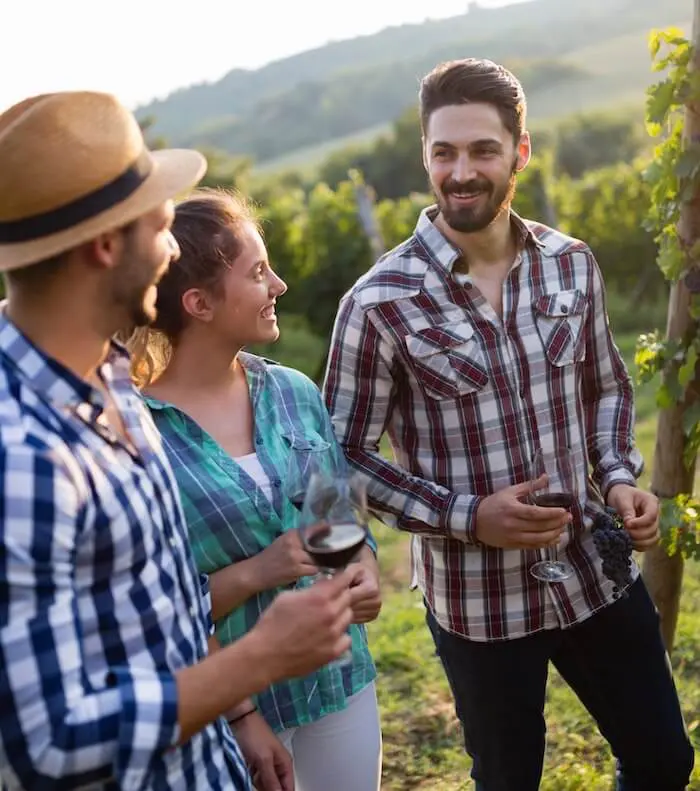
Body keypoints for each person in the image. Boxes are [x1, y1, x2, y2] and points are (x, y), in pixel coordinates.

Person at [323, 58, 695, 791]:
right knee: (507, 778)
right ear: (426, 156)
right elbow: (342, 458)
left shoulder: (571, 264)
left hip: (595, 565)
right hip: (476, 600)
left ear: (519, 153)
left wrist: (619, 478)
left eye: (482, 150)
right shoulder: (378, 303)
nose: (460, 172)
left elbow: (606, 389)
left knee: (663, 760)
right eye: (443, 152)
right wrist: (468, 516)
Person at [0, 90, 357, 791]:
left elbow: (164, 605)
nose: (171, 247)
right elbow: (41, 746)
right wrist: (256, 659)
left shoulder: (112, 382)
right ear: (107, 246)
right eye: (162, 223)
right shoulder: (21, 456)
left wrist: (234, 709)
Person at [127, 188, 383, 791]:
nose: (280, 286)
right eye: (259, 272)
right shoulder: (141, 436)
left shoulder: (294, 392)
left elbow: (340, 517)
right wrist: (255, 573)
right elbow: (153, 610)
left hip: (341, 679)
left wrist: (364, 566)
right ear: (199, 303)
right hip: (237, 711)